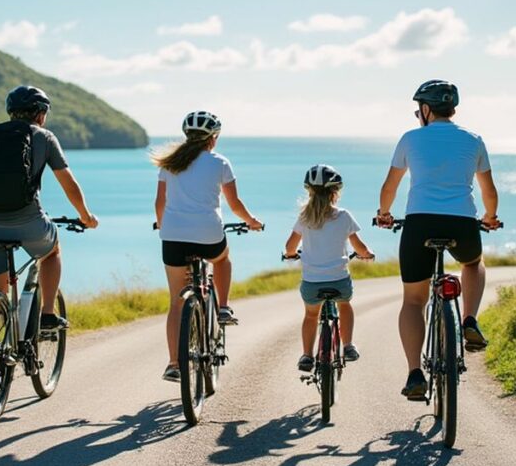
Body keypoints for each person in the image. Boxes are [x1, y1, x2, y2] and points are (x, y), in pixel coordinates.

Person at [375, 79, 500, 400]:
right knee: (473, 263)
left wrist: (384, 213)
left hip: (419, 224)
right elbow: (488, 191)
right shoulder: (473, 140)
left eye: (419, 110)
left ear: (426, 110)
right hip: (462, 224)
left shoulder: (410, 139)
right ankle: (469, 319)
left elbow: (390, 186)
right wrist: (489, 217)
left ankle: (415, 373)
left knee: (414, 301)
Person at [0, 85, 98, 331]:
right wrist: (86, 217)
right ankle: (47, 315)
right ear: (40, 114)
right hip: (26, 221)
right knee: (52, 252)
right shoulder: (45, 137)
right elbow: (69, 184)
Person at [153, 111, 263, 382]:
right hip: (209, 235)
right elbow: (234, 205)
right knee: (222, 260)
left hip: (173, 238)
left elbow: (160, 204)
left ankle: (174, 364)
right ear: (212, 139)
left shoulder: (169, 164)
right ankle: (223, 307)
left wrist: (161, 224)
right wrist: (252, 222)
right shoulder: (220, 163)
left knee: (176, 302)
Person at [283, 164, 374, 372]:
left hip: (312, 283)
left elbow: (290, 247)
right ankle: (348, 345)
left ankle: (307, 355)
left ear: (310, 192)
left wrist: (290, 255)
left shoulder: (304, 217)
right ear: (335, 193)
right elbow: (359, 246)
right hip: (339, 280)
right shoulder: (343, 216)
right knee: (345, 305)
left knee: (311, 316)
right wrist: (366, 254)